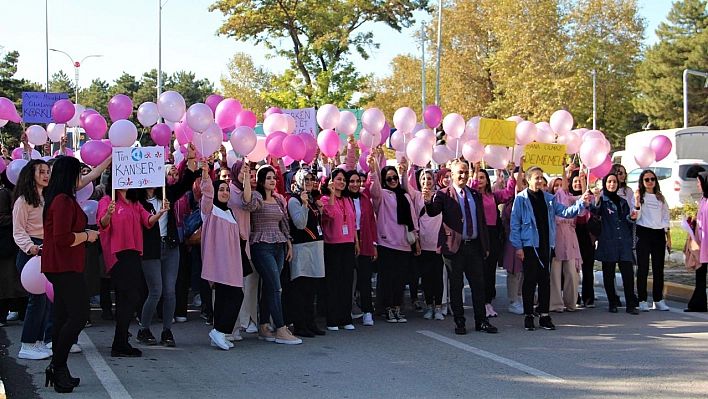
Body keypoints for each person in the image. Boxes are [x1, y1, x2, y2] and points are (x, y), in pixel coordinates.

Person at [41, 156, 100, 393]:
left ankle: (60, 367)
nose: (81, 178)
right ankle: (56, 366)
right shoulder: (63, 200)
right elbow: (63, 238)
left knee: (63, 316)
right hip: (63, 265)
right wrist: (87, 236)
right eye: (78, 173)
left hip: (63, 264)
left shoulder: (61, 198)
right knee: (79, 314)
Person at [510, 166, 590, 331]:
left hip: (546, 245)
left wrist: (582, 202)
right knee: (530, 281)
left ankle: (544, 315)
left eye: (541, 178)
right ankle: (529, 315)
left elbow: (567, 212)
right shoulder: (521, 199)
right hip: (529, 245)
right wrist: (518, 247)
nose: (540, 181)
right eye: (536, 177)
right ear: (528, 180)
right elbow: (515, 224)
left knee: (544, 281)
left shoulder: (550, 199)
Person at [136, 147, 199, 347]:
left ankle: (167, 331)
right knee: (155, 291)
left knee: (170, 291)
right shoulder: (136, 200)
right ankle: (144, 328)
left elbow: (185, 183)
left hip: (170, 246)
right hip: (150, 249)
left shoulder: (167, 194)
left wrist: (190, 159)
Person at [425, 159, 497, 335]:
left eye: (466, 172)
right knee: (456, 286)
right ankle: (459, 321)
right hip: (453, 248)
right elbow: (434, 211)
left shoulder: (475, 194)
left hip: (474, 246)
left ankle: (481, 320)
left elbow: (481, 222)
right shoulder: (443, 194)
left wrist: (485, 245)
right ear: (453, 175)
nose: (463, 176)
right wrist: (427, 201)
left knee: (478, 285)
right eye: (460, 173)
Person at [98, 184, 168, 357]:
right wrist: (108, 214)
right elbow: (102, 224)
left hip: (135, 253)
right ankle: (119, 341)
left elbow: (147, 221)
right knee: (128, 296)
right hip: (118, 254)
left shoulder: (135, 203)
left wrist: (160, 213)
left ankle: (120, 340)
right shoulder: (107, 200)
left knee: (130, 297)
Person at [244, 165, 301, 344]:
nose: (272, 181)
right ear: (261, 181)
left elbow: (284, 224)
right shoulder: (256, 197)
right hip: (262, 246)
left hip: (279, 245)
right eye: (268, 178)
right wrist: (246, 177)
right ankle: (281, 328)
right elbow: (247, 202)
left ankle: (263, 326)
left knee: (270, 286)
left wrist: (289, 245)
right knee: (276, 286)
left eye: (273, 178)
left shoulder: (278, 199)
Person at [199, 161, 246, 350]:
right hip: (219, 262)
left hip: (232, 262)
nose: (225, 193)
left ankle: (219, 332)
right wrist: (204, 173)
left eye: (227, 189)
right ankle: (219, 330)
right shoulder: (209, 210)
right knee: (235, 295)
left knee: (224, 298)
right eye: (222, 190)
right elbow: (208, 193)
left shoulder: (230, 212)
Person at [368, 156, 418, 323]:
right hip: (387, 243)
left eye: (394, 177)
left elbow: (412, 218)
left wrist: (416, 239)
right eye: (388, 178)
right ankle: (387, 308)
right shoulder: (381, 195)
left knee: (400, 279)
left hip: (404, 243)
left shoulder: (405, 196)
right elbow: (374, 189)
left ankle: (397, 307)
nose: (392, 181)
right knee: (387, 278)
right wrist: (373, 169)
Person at [12, 159, 52, 360]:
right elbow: (18, 231)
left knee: (44, 300)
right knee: (36, 299)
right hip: (31, 253)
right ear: (31, 175)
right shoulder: (22, 201)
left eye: (47, 171)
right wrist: (31, 248)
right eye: (41, 172)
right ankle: (26, 344)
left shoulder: (47, 197)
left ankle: (37, 341)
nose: (46, 175)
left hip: (46, 249)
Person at [469, 162, 516, 317]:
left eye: (483, 177)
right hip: (479, 236)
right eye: (478, 177)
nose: (480, 180)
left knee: (490, 271)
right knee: (480, 270)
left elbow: (509, 193)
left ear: (487, 181)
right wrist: (474, 171)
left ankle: (488, 303)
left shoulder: (493, 196)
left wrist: (513, 173)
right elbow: (472, 188)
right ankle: (480, 302)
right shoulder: (473, 196)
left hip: (493, 235)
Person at [591, 173, 639, 315]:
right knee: (608, 273)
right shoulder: (602, 201)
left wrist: (631, 217)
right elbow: (595, 211)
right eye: (609, 182)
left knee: (628, 274)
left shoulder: (623, 202)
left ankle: (631, 303)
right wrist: (597, 199)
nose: (612, 184)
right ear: (605, 184)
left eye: (614, 182)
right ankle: (612, 302)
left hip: (623, 241)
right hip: (608, 241)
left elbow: (627, 221)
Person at [288, 169, 326, 336]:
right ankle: (300, 324)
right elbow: (300, 224)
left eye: (311, 179)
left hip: (315, 247)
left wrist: (319, 210)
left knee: (312, 288)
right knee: (301, 289)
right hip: (302, 248)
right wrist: (304, 205)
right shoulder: (294, 200)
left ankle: (310, 322)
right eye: (305, 179)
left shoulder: (312, 200)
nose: (309, 182)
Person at [321, 168, 359, 330]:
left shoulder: (348, 200)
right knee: (334, 283)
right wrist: (330, 195)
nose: (342, 182)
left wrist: (356, 241)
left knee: (346, 282)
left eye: (344, 180)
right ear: (331, 181)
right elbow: (328, 215)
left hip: (348, 244)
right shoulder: (324, 199)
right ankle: (333, 319)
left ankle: (346, 317)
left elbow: (353, 222)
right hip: (333, 246)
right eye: (339, 179)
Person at [547, 165, 585, 313]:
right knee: (554, 274)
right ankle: (555, 304)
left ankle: (571, 303)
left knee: (571, 272)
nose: (558, 187)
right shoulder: (549, 200)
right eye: (555, 185)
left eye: (560, 184)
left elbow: (583, 197)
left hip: (570, 238)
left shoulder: (568, 199)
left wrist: (581, 180)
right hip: (555, 236)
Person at [634, 169, 671, 312]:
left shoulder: (660, 198)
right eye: (646, 180)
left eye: (652, 179)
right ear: (642, 182)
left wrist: (668, 237)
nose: (650, 182)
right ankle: (642, 299)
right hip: (644, 232)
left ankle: (658, 299)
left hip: (658, 234)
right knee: (643, 268)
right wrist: (637, 201)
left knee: (658, 268)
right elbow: (636, 216)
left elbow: (666, 218)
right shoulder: (640, 197)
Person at [410, 168, 444, 320]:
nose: (426, 182)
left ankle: (438, 307)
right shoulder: (417, 196)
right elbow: (406, 185)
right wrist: (406, 169)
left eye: (429, 179)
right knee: (427, 277)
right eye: (423, 179)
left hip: (438, 244)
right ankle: (429, 305)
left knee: (438, 277)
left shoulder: (441, 196)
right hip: (423, 244)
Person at [344, 170, 378, 326]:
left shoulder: (365, 199)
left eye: (358, 181)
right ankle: (347, 311)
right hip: (346, 240)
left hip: (364, 239)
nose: (355, 184)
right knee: (348, 279)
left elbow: (371, 222)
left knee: (365, 278)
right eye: (352, 181)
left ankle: (367, 311)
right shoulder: (343, 199)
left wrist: (374, 244)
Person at [230, 160, 259, 335]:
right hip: (231, 243)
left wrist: (247, 180)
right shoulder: (229, 189)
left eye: (247, 171)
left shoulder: (246, 191)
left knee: (245, 286)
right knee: (233, 287)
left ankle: (243, 321)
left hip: (245, 242)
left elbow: (247, 200)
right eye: (242, 171)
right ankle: (231, 326)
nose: (245, 174)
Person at [0, 171, 26, 327]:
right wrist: (20, 217)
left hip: (20, 243)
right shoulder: (4, 194)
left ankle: (21, 312)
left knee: (21, 281)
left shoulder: (25, 194)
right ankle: (3, 314)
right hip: (8, 244)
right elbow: (2, 217)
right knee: (8, 282)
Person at [568, 169, 596, 308]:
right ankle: (574, 295)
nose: (577, 184)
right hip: (572, 233)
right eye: (575, 181)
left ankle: (588, 296)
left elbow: (587, 202)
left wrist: (584, 181)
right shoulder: (568, 197)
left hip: (587, 233)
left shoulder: (588, 198)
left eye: (579, 181)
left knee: (588, 266)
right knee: (573, 267)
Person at [686, 172, 708, 312]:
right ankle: (698, 304)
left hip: (705, 242)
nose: (697, 185)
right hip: (701, 242)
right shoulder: (703, 199)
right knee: (700, 274)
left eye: (699, 182)